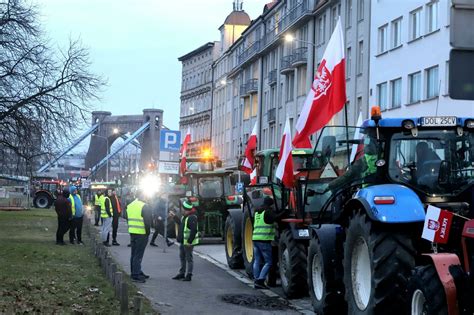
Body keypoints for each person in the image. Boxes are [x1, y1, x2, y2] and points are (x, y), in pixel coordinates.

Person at [126, 191, 152, 283]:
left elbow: (126, 217)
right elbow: (148, 222)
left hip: (132, 232)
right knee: (138, 255)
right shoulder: (145, 206)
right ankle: (135, 275)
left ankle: (136, 271)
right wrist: (148, 233)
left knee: (134, 254)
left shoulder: (130, 205)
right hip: (142, 233)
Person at [171, 200, 198, 282]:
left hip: (188, 243)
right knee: (182, 257)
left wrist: (189, 242)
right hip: (183, 242)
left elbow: (194, 231)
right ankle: (182, 273)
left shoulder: (192, 217)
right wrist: (175, 217)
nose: (181, 210)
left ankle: (189, 275)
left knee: (189, 258)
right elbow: (181, 224)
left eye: (182, 208)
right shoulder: (185, 217)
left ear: (186, 209)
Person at [252, 197, 276, 289]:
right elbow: (276, 218)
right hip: (264, 240)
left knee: (257, 260)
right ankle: (260, 280)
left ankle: (256, 279)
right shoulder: (268, 212)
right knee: (269, 262)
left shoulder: (257, 212)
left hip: (255, 238)